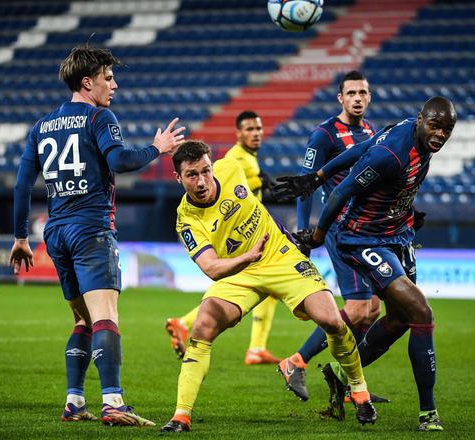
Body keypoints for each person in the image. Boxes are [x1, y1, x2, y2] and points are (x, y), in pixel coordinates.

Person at [9, 44, 185, 426]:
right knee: (105, 318)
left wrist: (21, 238)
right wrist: (158, 148)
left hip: (54, 232)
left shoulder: (41, 126)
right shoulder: (99, 117)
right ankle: (114, 402)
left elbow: (22, 187)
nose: (114, 85)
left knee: (83, 321)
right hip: (91, 229)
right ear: (88, 82)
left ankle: (74, 402)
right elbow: (120, 161)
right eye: (108, 78)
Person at [160, 140, 376, 433]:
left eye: (205, 171)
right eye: (192, 175)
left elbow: (260, 184)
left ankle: (359, 390)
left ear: (213, 165)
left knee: (331, 320)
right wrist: (247, 257)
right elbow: (211, 268)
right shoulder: (187, 219)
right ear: (178, 178)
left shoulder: (232, 168)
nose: (202, 181)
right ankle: (181, 416)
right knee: (203, 324)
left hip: (280, 256)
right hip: (239, 271)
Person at [275, 96, 457, 431]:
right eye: (435, 125)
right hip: (362, 238)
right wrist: (316, 235)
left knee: (400, 319)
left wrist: (319, 174)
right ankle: (428, 413)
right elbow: (343, 191)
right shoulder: (390, 156)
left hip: (397, 233)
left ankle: (341, 376)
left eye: (447, 129)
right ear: (421, 120)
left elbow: (362, 147)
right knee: (420, 312)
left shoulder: (406, 132)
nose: (441, 134)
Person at [276, 71, 384, 401]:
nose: (357, 98)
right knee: (355, 308)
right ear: (340, 98)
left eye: (363, 92)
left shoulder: (370, 131)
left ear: (369, 96)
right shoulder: (323, 135)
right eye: (351, 92)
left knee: (374, 308)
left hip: (367, 228)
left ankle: (352, 385)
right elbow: (306, 183)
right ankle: (295, 361)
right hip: (339, 228)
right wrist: (303, 231)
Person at [165, 110, 281, 365]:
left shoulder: (249, 159)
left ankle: (256, 347)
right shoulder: (236, 160)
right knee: (240, 289)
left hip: (254, 235)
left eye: (259, 129)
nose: (256, 134)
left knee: (264, 290)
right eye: (250, 129)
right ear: (238, 133)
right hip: (241, 239)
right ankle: (188, 325)